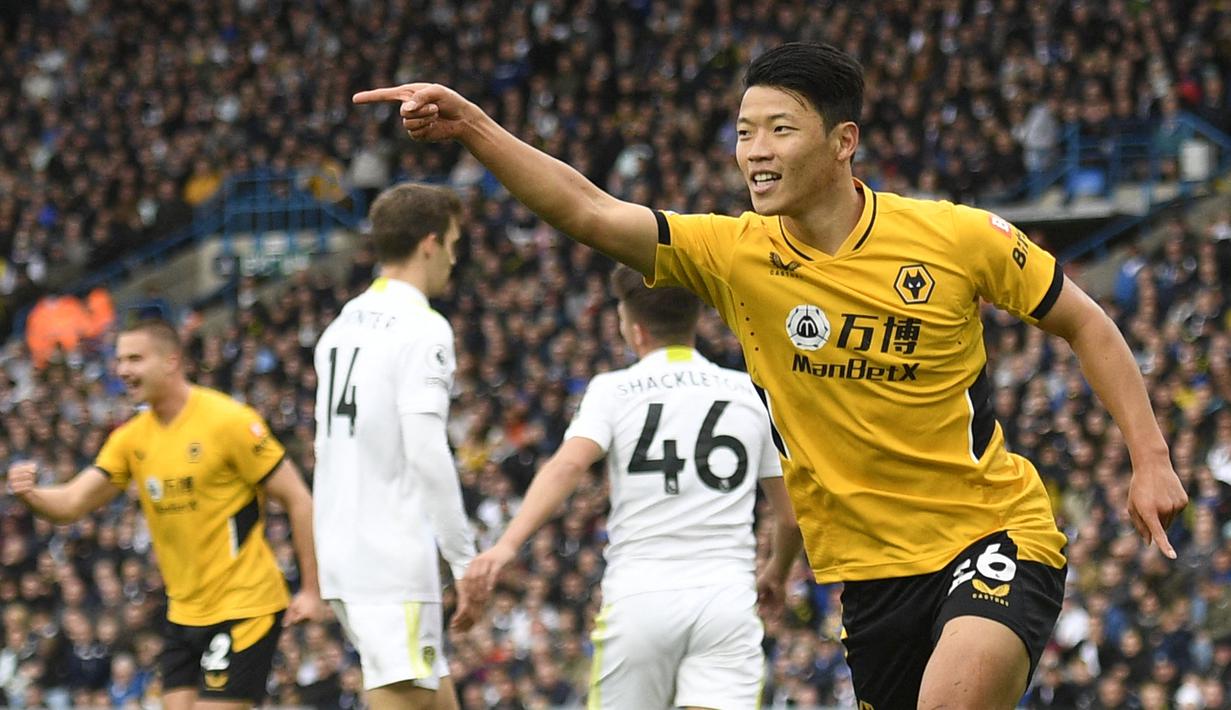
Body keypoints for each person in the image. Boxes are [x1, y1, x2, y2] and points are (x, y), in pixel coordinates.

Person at [354, 41, 1189, 709]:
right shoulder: (734, 255)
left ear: (842, 141)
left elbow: (1085, 322)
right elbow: (588, 209)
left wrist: (1148, 457)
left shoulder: (956, 237)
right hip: (867, 581)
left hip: (992, 533)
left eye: (778, 129)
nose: (753, 151)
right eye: (743, 132)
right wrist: (474, 128)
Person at [466, 264, 802, 709]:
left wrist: (507, 545)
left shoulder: (614, 390)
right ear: (696, 320)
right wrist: (776, 571)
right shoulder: (748, 393)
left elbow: (568, 464)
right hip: (726, 600)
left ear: (634, 329)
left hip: (641, 597)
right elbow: (791, 516)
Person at [5, 317, 322, 710]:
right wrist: (30, 494)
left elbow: (299, 499)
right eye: (120, 360)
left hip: (245, 606)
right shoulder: (131, 438)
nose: (123, 370)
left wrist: (311, 590)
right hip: (183, 612)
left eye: (135, 359)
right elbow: (71, 503)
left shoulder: (228, 421)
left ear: (171, 361)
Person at [312, 182, 479, 710]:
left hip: (343, 543)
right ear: (430, 244)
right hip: (389, 554)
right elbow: (426, 450)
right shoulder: (422, 328)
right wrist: (464, 560)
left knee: (433, 694)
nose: (454, 258)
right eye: (453, 243)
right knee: (406, 692)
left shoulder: (341, 325)